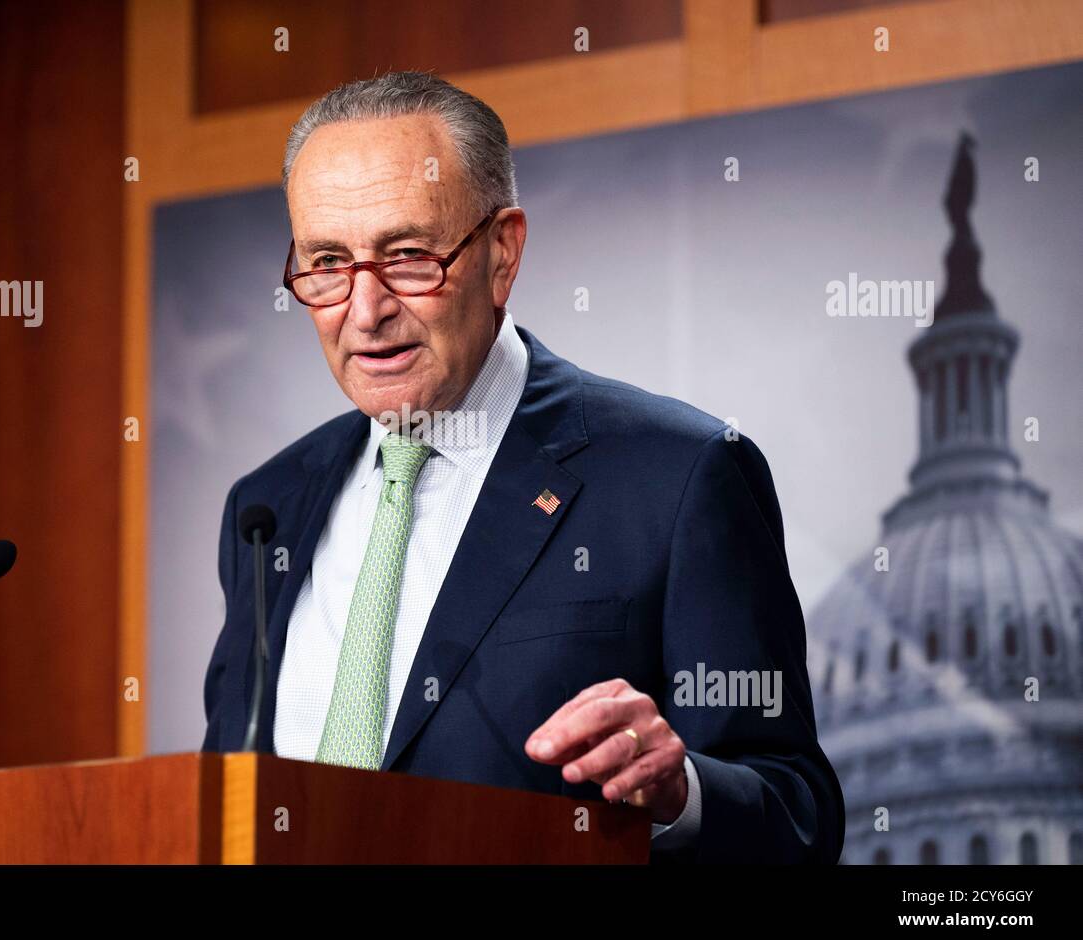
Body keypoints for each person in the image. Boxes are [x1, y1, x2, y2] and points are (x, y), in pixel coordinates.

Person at [201, 70, 844, 863]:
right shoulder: (265, 509)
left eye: (407, 256)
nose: (364, 312)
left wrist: (683, 796)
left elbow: (798, 819)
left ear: (502, 253)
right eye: (327, 263)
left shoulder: (679, 478)